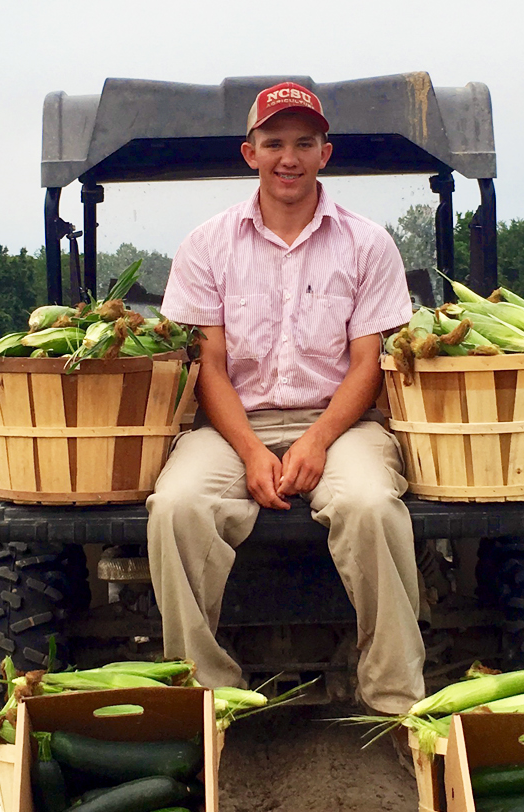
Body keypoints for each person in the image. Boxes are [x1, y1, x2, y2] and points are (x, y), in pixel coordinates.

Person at [146, 81, 426, 718]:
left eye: (305, 142)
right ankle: (206, 696)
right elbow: (209, 365)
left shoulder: (367, 243)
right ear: (251, 153)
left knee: (370, 505)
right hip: (229, 423)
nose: (289, 157)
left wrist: (317, 440)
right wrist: (249, 451)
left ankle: (394, 698)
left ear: (326, 152)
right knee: (177, 507)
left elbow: (367, 365)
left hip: (342, 422)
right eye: (274, 142)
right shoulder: (207, 244)